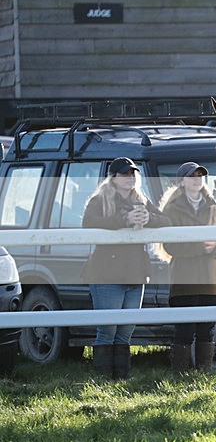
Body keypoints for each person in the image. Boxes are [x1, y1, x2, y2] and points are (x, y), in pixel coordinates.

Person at [81, 157, 170, 379]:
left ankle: (121, 378)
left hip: (136, 272)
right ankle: (103, 380)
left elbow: (166, 221)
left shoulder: (141, 198)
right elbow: (88, 224)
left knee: (126, 331)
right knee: (107, 329)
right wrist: (123, 219)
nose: (130, 178)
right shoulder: (99, 199)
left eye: (132, 173)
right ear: (113, 177)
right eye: (124, 174)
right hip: (106, 273)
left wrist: (149, 218)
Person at [158, 162, 216, 372]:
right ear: (182, 181)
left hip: (210, 277)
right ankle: (180, 373)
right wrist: (200, 246)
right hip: (184, 277)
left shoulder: (214, 206)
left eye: (200, 175)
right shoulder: (172, 208)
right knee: (184, 329)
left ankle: (203, 372)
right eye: (191, 176)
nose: (197, 179)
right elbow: (170, 245)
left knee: (207, 330)